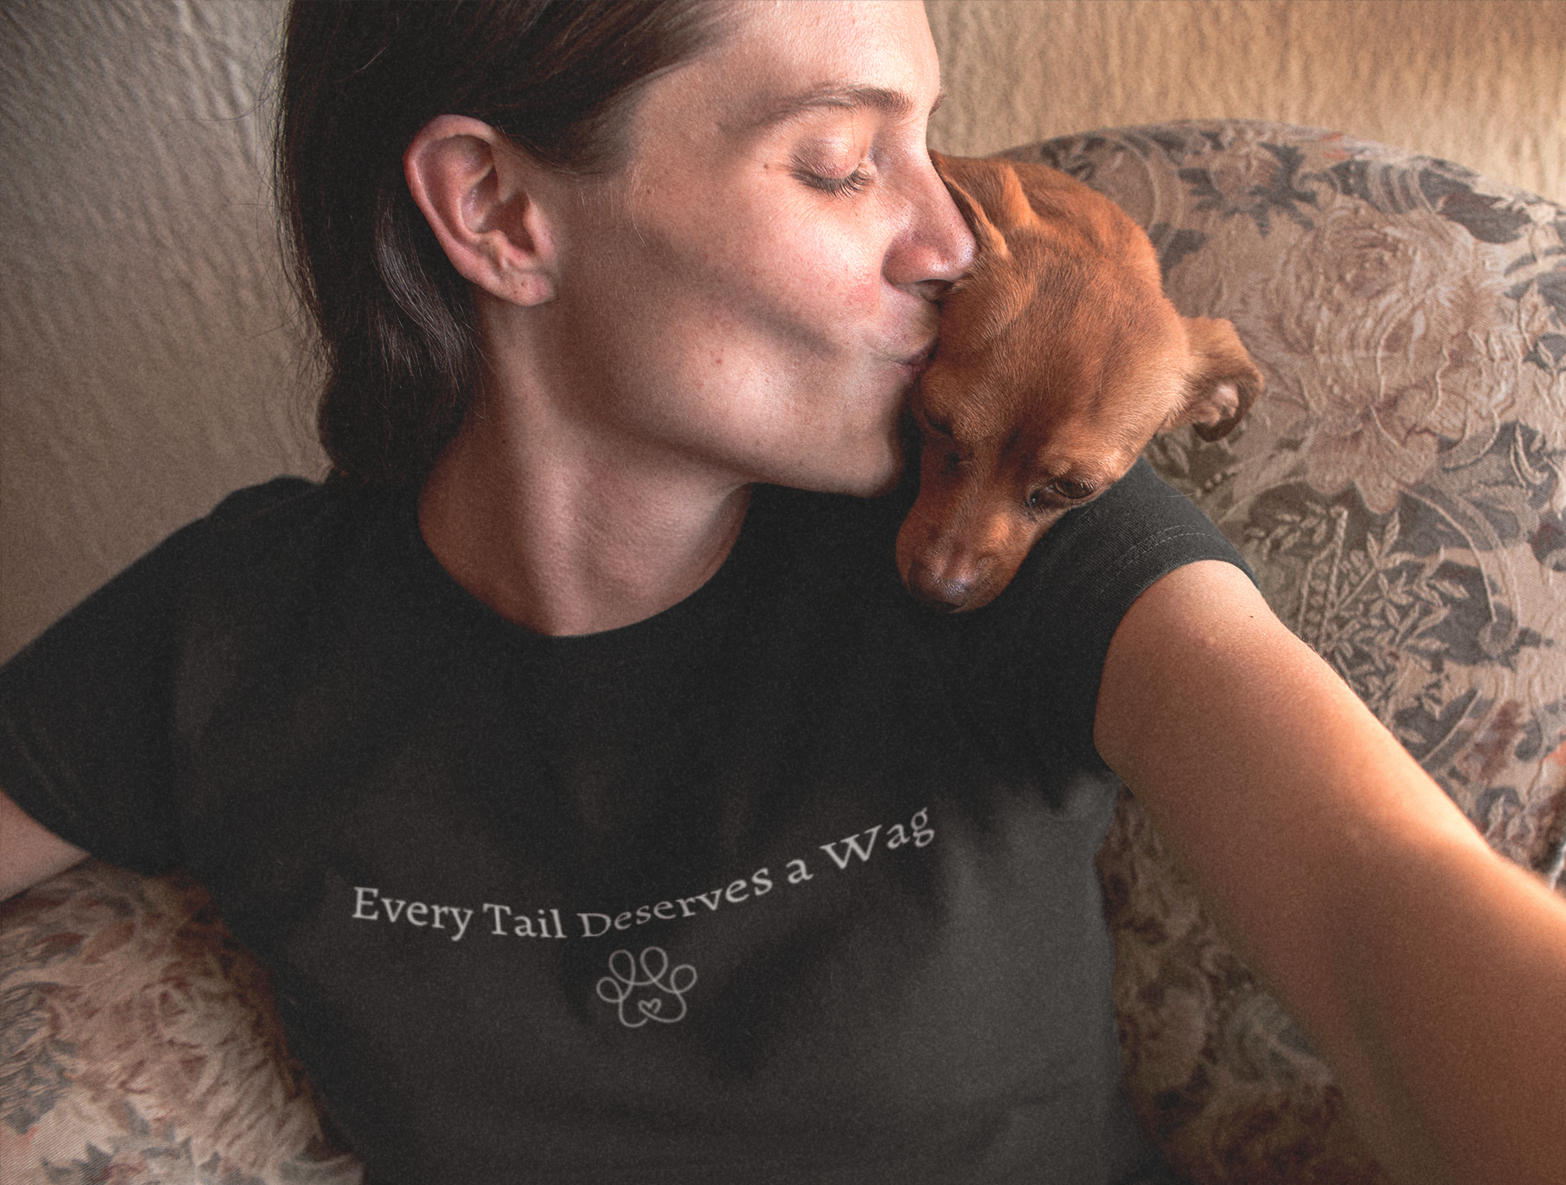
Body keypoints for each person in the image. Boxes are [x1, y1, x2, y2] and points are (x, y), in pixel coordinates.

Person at [1, 2, 1563, 1182]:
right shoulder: (238, 629)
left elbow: (1381, 906)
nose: (954, 239)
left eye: (925, 138)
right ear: (495, 210)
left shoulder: (1008, 545)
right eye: (840, 162)